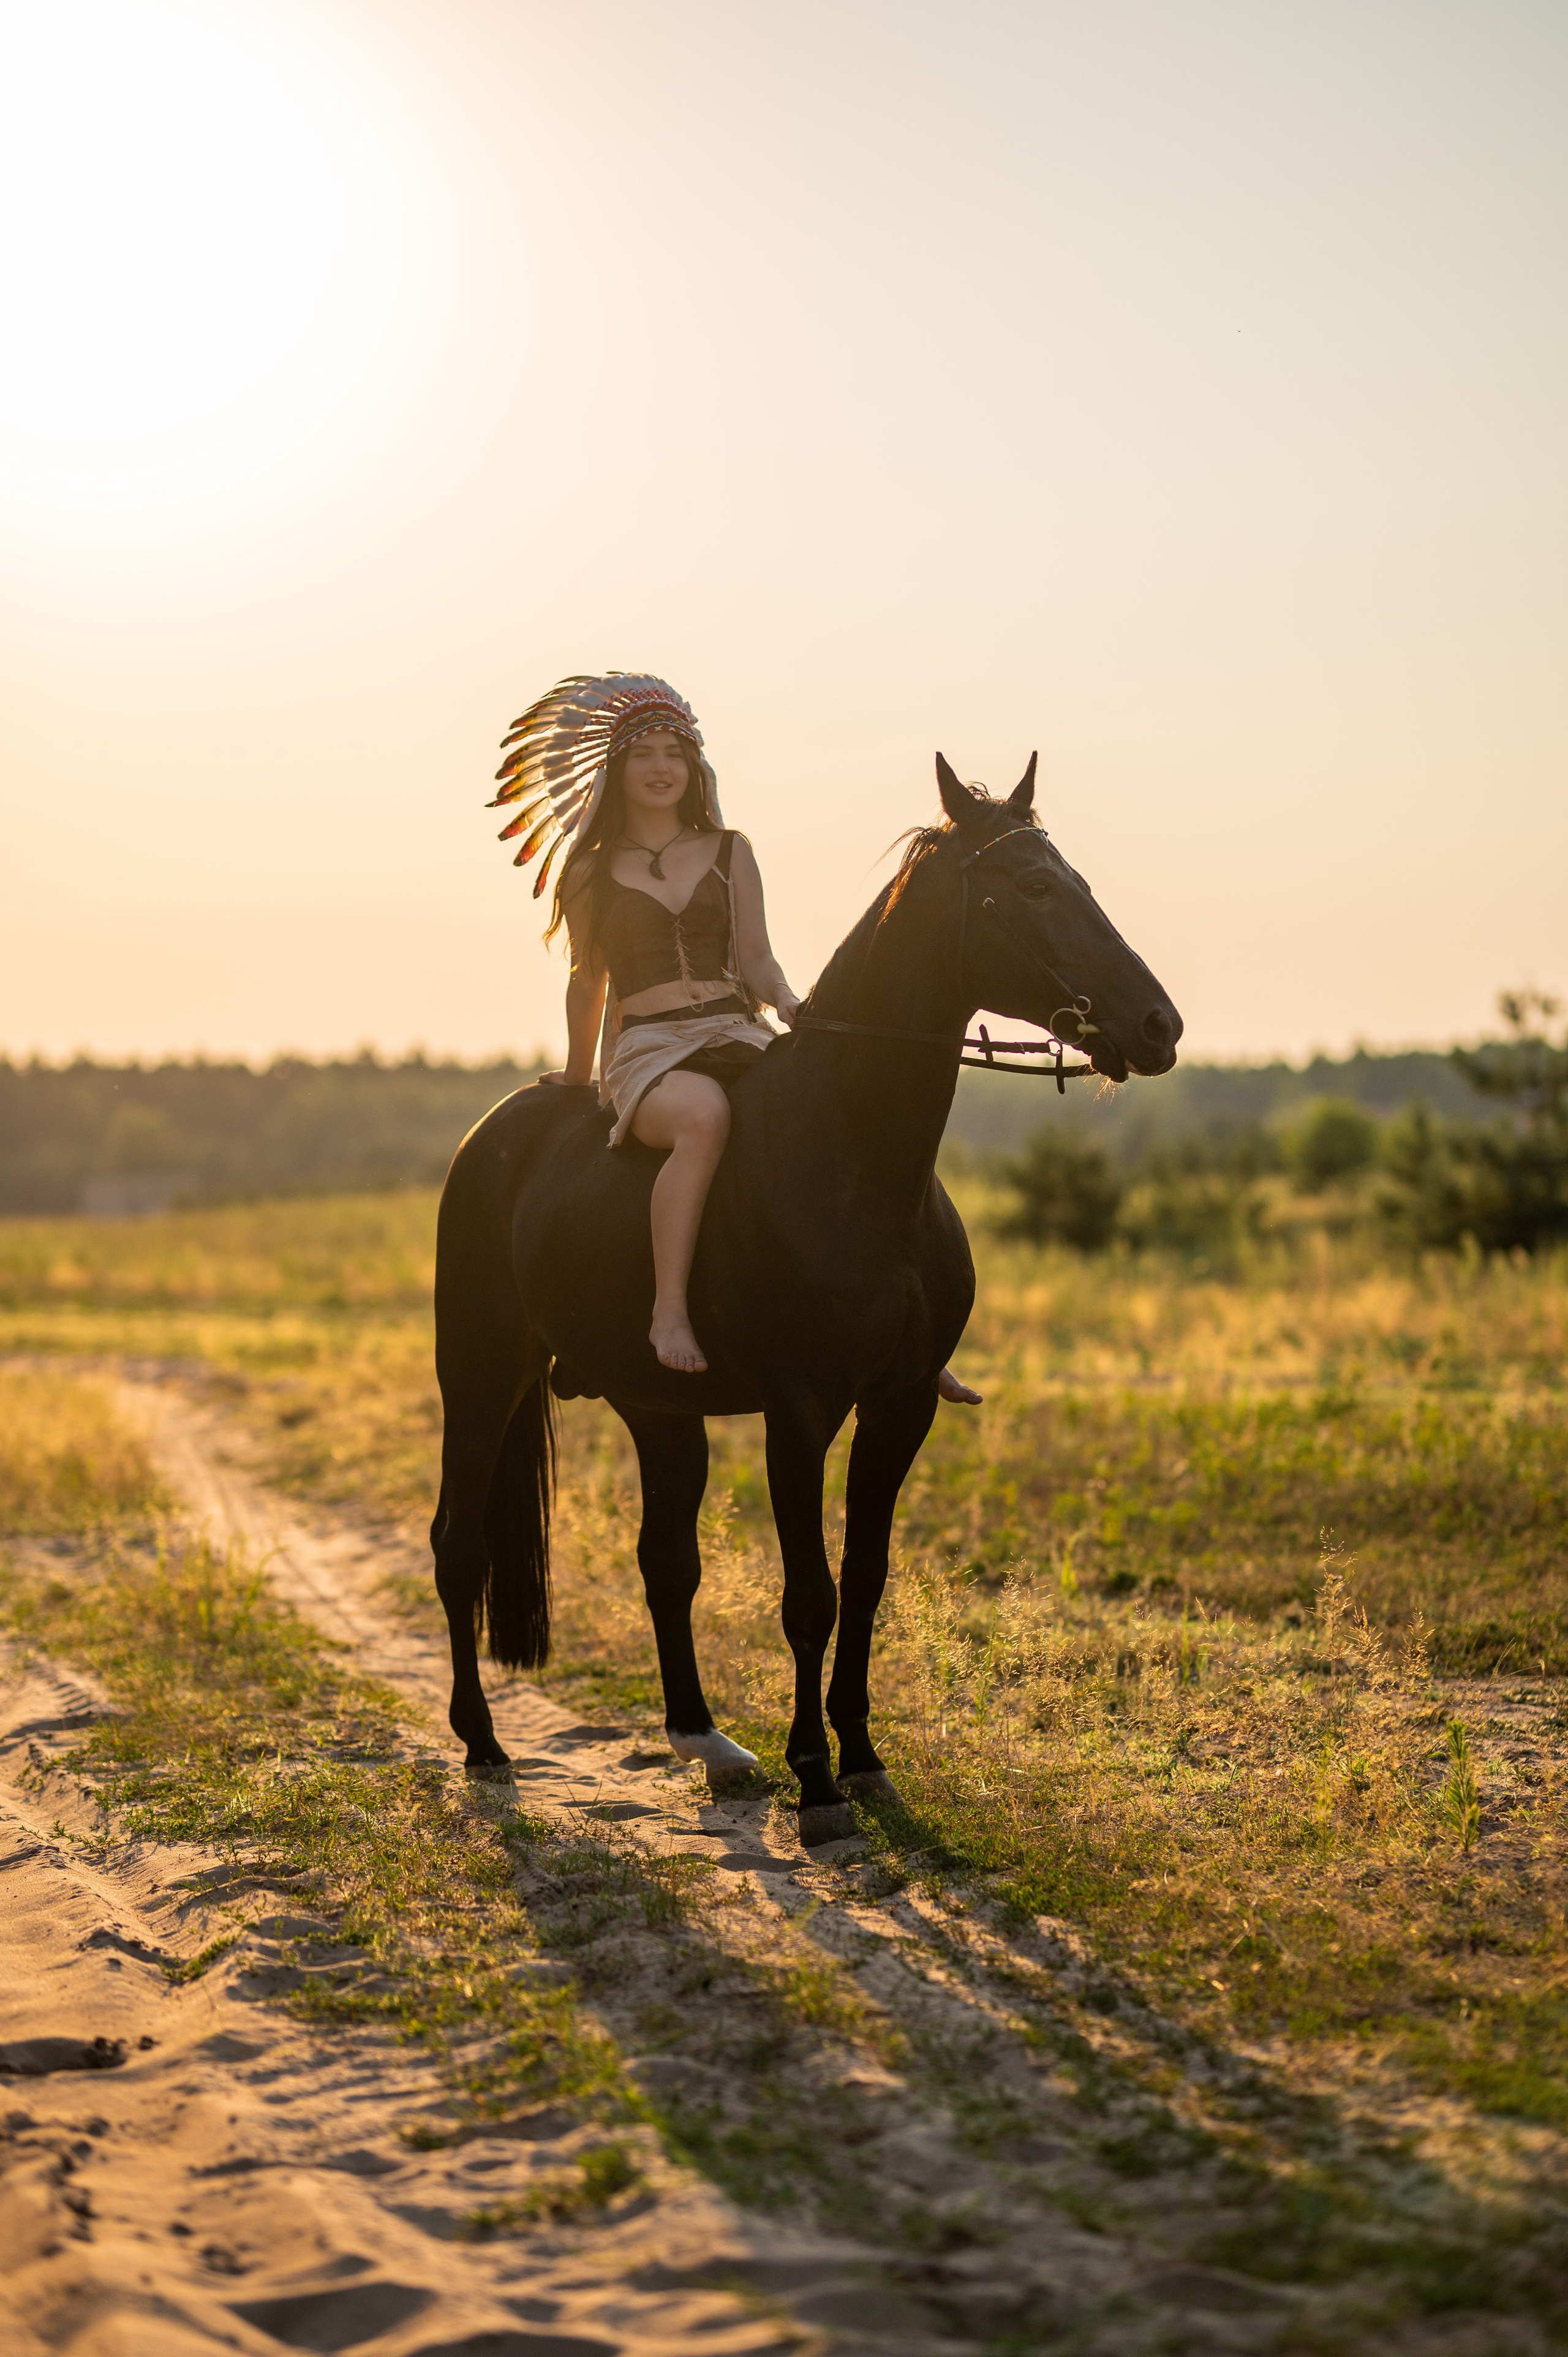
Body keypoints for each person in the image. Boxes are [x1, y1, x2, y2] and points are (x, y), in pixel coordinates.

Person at [488, 672, 982, 1398]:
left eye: (674, 753)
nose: (661, 767)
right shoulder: (591, 870)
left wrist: (786, 1002)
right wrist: (577, 1075)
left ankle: (909, 1323)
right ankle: (667, 1313)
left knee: (837, 1115)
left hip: (733, 1028)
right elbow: (587, 980)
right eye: (644, 753)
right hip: (651, 1050)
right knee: (704, 1117)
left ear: (693, 769)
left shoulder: (730, 850)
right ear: (617, 770)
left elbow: (755, 958)